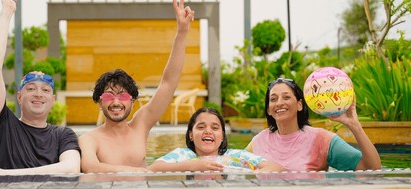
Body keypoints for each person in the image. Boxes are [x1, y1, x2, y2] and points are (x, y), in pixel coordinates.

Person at [79, 0, 195, 173]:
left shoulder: (140, 126)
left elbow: (168, 83)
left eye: (123, 96)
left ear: (132, 101)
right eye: (109, 96)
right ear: (99, 102)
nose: (116, 102)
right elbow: (90, 167)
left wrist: (182, 32)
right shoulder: (89, 139)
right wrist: (139, 171)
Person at [0, 0, 81, 175]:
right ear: (19, 97)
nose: (38, 94)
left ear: (53, 100)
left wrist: (4, 174)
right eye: (30, 88)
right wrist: (6, 12)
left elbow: (71, 168)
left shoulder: (63, 135)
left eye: (45, 90)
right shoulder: (3, 126)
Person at [246, 78, 382, 171]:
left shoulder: (321, 139)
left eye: (286, 97)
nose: (279, 103)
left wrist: (354, 125)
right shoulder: (259, 141)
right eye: (273, 99)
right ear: (269, 110)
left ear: (299, 105)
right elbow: (232, 167)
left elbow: (373, 169)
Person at [148, 108, 285, 172]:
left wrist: (255, 176)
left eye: (215, 127)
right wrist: (190, 166)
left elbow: (277, 167)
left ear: (222, 136)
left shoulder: (236, 156)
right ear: (191, 134)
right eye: (201, 127)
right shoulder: (183, 155)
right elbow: (153, 168)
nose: (208, 131)